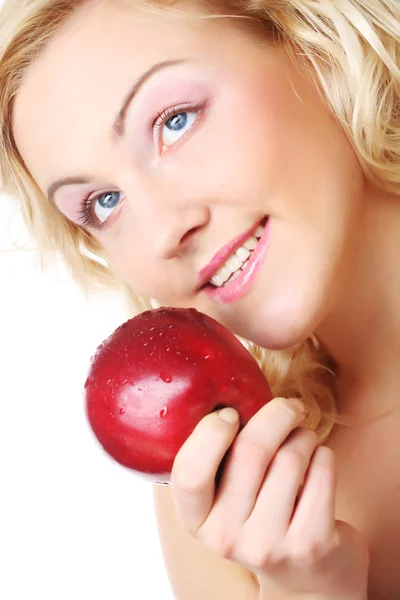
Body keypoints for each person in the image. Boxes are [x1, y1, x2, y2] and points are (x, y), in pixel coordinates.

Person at [1, 0, 399, 598]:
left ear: (308, 44)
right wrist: (310, 591)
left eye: (175, 121)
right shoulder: (223, 497)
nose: (162, 232)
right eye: (103, 203)